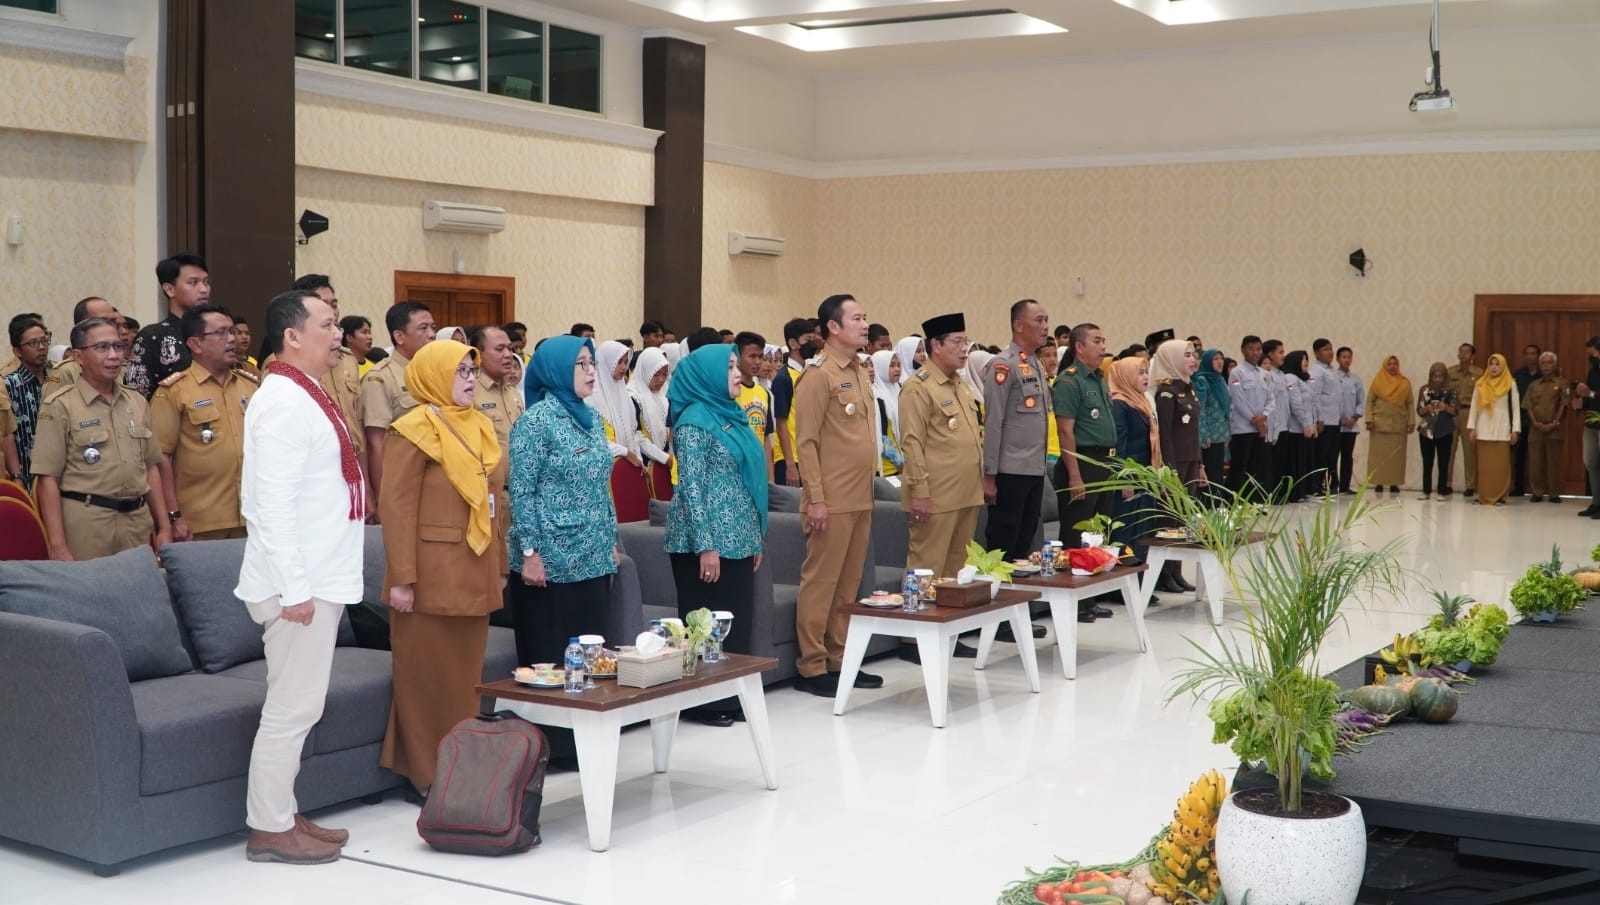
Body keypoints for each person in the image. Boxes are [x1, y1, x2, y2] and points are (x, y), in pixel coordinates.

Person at [236, 289, 365, 865]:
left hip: (317, 576)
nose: (338, 334)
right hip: (298, 584)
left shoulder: (307, 391)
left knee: (300, 706)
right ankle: (268, 826)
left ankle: (282, 812)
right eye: (328, 324)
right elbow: (270, 506)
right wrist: (294, 589)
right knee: (291, 709)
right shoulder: (284, 400)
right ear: (293, 335)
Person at [379, 339, 507, 796]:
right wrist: (402, 579)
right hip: (429, 578)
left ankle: (458, 768)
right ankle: (428, 775)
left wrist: (502, 564)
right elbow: (395, 509)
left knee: (464, 681)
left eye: (473, 373)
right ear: (433, 377)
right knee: (425, 679)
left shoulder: (482, 426)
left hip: (475, 569)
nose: (471, 381)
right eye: (461, 373)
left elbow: (497, 504)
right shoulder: (412, 429)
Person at [663, 344, 767, 725]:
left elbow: (747, 480)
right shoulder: (693, 422)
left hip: (738, 537)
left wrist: (755, 538)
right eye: (730, 368)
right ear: (707, 375)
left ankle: (729, 695)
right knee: (703, 624)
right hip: (702, 542)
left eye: (737, 366)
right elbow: (691, 488)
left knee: (734, 622)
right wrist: (707, 547)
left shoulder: (730, 414)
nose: (739, 374)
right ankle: (702, 701)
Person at [509, 334, 618, 670]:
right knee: (553, 652)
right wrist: (530, 553)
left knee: (591, 650)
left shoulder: (593, 419)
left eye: (592, 363)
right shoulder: (536, 421)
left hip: (593, 554)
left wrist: (610, 540)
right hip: (552, 559)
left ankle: (588, 721)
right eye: (580, 364)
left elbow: (601, 483)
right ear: (556, 370)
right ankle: (553, 724)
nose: (590, 372)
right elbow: (521, 490)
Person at [792, 294, 881, 698]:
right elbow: (806, 443)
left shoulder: (861, 370)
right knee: (821, 583)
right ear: (833, 326)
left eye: (865, 318)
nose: (865, 325)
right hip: (830, 498)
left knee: (849, 585)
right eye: (857, 318)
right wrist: (816, 499)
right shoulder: (818, 376)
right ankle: (811, 665)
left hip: (860, 495)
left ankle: (839, 658)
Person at [32, 318, 171, 561]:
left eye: (118, 346)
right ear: (78, 356)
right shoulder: (60, 405)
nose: (114, 355)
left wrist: (164, 526)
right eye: (102, 348)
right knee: (90, 595)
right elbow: (47, 480)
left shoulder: (136, 402)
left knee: (137, 593)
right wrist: (57, 545)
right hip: (88, 524)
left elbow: (151, 467)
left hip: (136, 522)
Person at [898, 314, 984, 661]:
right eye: (957, 343)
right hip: (935, 494)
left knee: (955, 566)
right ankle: (915, 636)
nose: (965, 350)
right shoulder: (918, 387)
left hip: (965, 491)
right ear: (935, 345)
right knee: (926, 563)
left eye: (967, 343)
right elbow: (912, 444)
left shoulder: (959, 384)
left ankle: (947, 627)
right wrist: (919, 491)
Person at [150, 305, 255, 541]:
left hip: (250, 518)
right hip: (199, 522)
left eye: (232, 332)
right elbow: (160, 460)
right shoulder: (174, 391)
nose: (231, 339)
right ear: (195, 344)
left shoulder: (250, 386)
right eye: (220, 333)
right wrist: (173, 517)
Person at [1053, 323, 1116, 623]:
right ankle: (1073, 601)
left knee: (1097, 533)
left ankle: (1089, 598)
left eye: (1103, 340)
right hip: (1081, 464)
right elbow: (1065, 432)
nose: (1103, 346)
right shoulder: (1069, 381)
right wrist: (1075, 475)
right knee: (1076, 534)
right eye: (1096, 341)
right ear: (1079, 347)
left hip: (1103, 462)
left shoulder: (1100, 378)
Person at [983, 299, 1053, 562]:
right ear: (1018, 325)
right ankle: (999, 599)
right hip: (1009, 471)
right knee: (1003, 543)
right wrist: (989, 475)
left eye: (1046, 320)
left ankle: (1018, 601)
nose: (1045, 327)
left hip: (1034, 470)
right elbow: (993, 423)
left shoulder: (1035, 364)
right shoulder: (1003, 365)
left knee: (1025, 544)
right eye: (1039, 320)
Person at [362, 301, 436, 509]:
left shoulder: (436, 374)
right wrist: (383, 500)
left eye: (433, 328)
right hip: (403, 484)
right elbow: (376, 443)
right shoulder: (381, 378)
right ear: (399, 336)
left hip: (435, 484)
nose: (431, 334)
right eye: (423, 328)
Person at [1150, 339, 1202, 592]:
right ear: (1171, 359)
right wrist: (1169, 468)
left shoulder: (1189, 388)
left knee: (1185, 518)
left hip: (1191, 460)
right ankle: (1164, 575)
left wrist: (1200, 463)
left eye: (1193, 355)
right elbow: (1165, 435)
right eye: (1187, 355)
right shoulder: (1167, 392)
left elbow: (1194, 431)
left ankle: (1177, 571)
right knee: (1169, 519)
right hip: (1175, 463)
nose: (1192, 360)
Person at [125, 252, 211, 397]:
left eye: (206, 282)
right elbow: (137, 398)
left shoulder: (215, 333)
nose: (204, 289)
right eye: (193, 282)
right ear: (169, 289)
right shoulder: (152, 337)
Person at [469, 324, 524, 537]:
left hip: (519, 496)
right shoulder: (469, 392)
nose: (508, 355)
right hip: (490, 496)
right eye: (499, 349)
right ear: (479, 354)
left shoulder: (514, 393)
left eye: (510, 349)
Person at [589, 339, 650, 520]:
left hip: (628, 470)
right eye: (619, 362)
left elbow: (633, 435)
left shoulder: (623, 393)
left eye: (626, 362)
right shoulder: (592, 397)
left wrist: (638, 459)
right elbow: (594, 439)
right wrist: (625, 452)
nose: (624, 367)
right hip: (604, 472)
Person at [1107, 356, 1159, 566]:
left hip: (1145, 474)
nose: (1146, 377)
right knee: (1126, 529)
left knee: (1143, 528)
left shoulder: (1142, 400)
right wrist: (1124, 479)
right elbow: (1119, 445)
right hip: (1130, 475)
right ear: (1125, 376)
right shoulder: (1120, 404)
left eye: (1146, 372)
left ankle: (1139, 581)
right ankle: (1120, 587)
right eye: (1140, 373)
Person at [2, 317, 51, 487]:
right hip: (27, 473)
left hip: (63, 473)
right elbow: (7, 434)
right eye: (33, 343)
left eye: (44, 340)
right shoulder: (8, 385)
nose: (42, 347)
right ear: (17, 351)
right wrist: (17, 475)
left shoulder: (59, 377)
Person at [1466, 353, 1520, 506]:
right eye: (1491, 364)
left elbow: (1515, 408)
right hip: (1483, 428)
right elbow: (1474, 407)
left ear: (1502, 366)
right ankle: (1484, 496)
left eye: (1497, 364)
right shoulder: (1480, 384)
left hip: (1502, 429)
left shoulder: (1511, 384)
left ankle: (1501, 496)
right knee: (1485, 467)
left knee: (1501, 466)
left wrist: (1515, 430)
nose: (1494, 367)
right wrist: (1472, 428)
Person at [1226, 335, 1275, 500]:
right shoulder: (1237, 373)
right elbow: (1239, 401)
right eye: (1251, 349)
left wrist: (1264, 416)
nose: (1255, 353)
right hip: (1242, 429)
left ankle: (1254, 502)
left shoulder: (1265, 374)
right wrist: (1256, 420)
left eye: (1258, 349)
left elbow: (1271, 399)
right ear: (1243, 350)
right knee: (1240, 467)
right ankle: (1235, 502)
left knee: (1257, 467)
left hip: (1260, 429)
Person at [771, 317, 817, 487]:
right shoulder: (784, 378)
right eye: (807, 340)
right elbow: (781, 423)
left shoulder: (810, 374)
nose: (812, 344)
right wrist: (790, 464)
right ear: (793, 343)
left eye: (813, 339)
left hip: (809, 455)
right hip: (790, 458)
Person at [628, 346, 674, 499]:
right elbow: (637, 437)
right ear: (645, 372)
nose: (661, 379)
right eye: (656, 375)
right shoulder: (633, 397)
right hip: (644, 464)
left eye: (664, 374)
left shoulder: (664, 394)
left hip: (666, 464)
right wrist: (664, 458)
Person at [1523, 351, 1568, 503]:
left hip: (1554, 429)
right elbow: (1528, 406)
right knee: (1535, 462)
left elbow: (1564, 405)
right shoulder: (1533, 385)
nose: (1546, 365)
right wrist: (1535, 422)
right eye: (1543, 363)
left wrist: (1554, 422)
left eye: (1549, 362)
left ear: (1555, 365)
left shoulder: (1563, 383)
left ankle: (1554, 493)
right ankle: (1537, 492)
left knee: (1553, 463)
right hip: (1535, 429)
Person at [1365, 356, 1414, 494]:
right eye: (1389, 364)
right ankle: (1378, 483)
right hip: (1379, 425)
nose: (1392, 366)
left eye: (1395, 364)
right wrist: (1369, 419)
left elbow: (1409, 403)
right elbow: (1369, 401)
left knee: (1396, 457)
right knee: (1378, 457)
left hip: (1398, 425)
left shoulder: (1404, 383)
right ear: (1385, 366)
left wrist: (1411, 422)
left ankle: (1394, 484)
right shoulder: (1377, 382)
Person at [733, 332, 775, 481]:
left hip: (758, 472)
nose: (757, 362)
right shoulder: (731, 391)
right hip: (736, 471)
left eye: (760, 357)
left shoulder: (763, 393)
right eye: (752, 356)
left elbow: (765, 438)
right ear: (737, 357)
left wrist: (770, 479)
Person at [1414, 362, 1457, 500]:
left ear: (1445, 376)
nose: (1437, 379)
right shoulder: (1424, 390)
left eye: (1440, 376)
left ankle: (1441, 491)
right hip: (1427, 430)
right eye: (1435, 376)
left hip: (1445, 430)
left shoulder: (1450, 390)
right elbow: (1420, 410)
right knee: (1427, 461)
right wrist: (1427, 409)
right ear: (1430, 376)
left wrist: (1444, 406)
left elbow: (1455, 410)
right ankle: (1426, 491)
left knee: (1443, 462)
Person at [1278, 351, 1317, 503]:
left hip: (1306, 427)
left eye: (1307, 359)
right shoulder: (1291, 378)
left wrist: (1312, 425)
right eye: (1302, 360)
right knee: (1296, 461)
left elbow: (1311, 405)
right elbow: (1296, 404)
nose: (1306, 362)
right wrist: (1305, 424)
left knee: (1305, 460)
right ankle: (1295, 492)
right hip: (1296, 428)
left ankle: (1305, 490)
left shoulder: (1304, 380)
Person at [1447, 343, 1484, 496]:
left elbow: (1483, 396)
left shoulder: (1479, 373)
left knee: (1469, 451)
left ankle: (1470, 485)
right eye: (1461, 351)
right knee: (1448, 449)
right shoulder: (1450, 372)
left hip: (1469, 412)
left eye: (1467, 352)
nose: (1463, 354)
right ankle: (1446, 483)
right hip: (1452, 413)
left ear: (1473, 356)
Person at [1194, 349, 1230, 500]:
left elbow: (1225, 410)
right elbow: (1201, 410)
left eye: (1221, 358)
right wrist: (1204, 434)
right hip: (1208, 437)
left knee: (1217, 473)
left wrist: (1227, 433)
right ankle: (1207, 506)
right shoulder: (1203, 381)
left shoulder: (1220, 380)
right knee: (1208, 474)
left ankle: (1216, 505)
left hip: (1220, 434)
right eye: (1215, 359)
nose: (1220, 362)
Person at [1309, 339, 1342, 495]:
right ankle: (1317, 486)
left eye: (1331, 349)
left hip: (1334, 420)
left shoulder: (1333, 371)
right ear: (1316, 353)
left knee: (1332, 455)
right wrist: (1319, 419)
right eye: (1325, 349)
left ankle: (1331, 484)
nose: (1330, 352)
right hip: (1324, 421)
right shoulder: (1316, 371)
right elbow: (1315, 396)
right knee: (1321, 455)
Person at [1575, 338, 1600, 518]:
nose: (1593, 356)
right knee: (1591, 462)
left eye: (1594, 353)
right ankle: (1596, 502)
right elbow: (1590, 394)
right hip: (1591, 421)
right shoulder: (1593, 370)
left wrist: (1588, 394)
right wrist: (1581, 402)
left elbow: (1592, 393)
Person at [1512, 344, 1541, 497]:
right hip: (1522, 419)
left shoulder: (1543, 375)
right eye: (1528, 353)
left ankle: (1540, 489)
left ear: (1538, 356)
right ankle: (1518, 487)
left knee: (1538, 457)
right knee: (1519, 456)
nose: (1531, 356)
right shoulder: (1518, 374)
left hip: (1539, 420)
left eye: (1534, 353)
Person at [869, 348, 903, 477]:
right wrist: (899, 462)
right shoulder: (876, 396)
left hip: (904, 460)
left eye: (899, 365)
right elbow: (883, 435)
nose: (897, 369)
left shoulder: (899, 389)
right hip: (888, 466)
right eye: (892, 365)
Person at [1336, 346, 1364, 494]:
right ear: (1338, 359)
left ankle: (1345, 486)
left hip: (1351, 426)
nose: (1346, 360)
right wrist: (1340, 420)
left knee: (1347, 456)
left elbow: (1361, 402)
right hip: (1336, 425)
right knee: (1333, 456)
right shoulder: (1333, 378)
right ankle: (1332, 485)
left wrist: (1354, 418)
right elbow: (1330, 401)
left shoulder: (1356, 380)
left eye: (1349, 357)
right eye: (1343, 357)